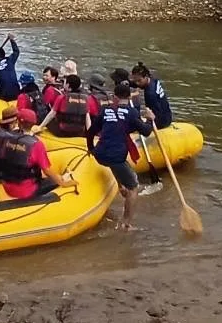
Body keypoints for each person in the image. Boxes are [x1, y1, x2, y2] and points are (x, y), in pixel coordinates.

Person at [94, 82, 151, 228]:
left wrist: (90, 148)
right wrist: (150, 119)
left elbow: (94, 129)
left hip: (99, 153)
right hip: (114, 156)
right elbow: (146, 131)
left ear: (115, 97)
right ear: (129, 97)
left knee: (117, 164)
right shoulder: (132, 113)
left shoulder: (106, 110)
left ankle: (121, 187)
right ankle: (126, 224)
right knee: (134, 187)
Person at [0, 105, 70, 201]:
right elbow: (47, 171)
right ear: (34, 123)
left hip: (7, 186)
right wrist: (62, 181)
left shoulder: (7, 137)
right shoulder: (36, 144)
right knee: (54, 180)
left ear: (18, 122)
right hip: (26, 191)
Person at [41, 73, 100, 140]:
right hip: (79, 132)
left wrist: (40, 126)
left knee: (46, 117)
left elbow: (51, 114)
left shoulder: (62, 97)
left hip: (62, 132)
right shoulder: (85, 98)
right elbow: (87, 118)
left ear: (68, 85)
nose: (63, 84)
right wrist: (90, 134)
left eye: (64, 82)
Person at [130, 64, 174, 129]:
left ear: (146, 76)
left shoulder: (150, 94)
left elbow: (155, 115)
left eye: (139, 80)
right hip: (168, 115)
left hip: (161, 122)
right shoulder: (152, 79)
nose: (137, 83)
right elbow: (137, 84)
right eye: (135, 80)